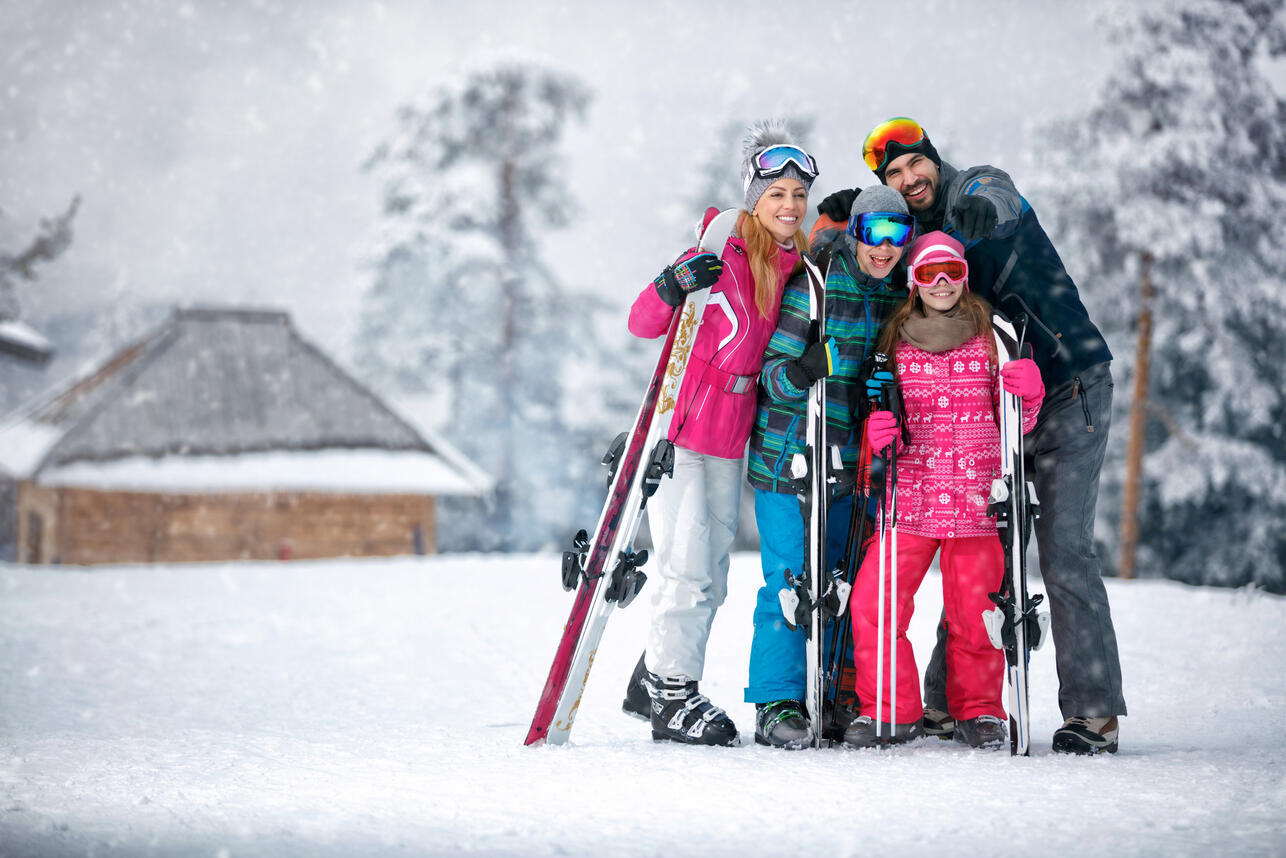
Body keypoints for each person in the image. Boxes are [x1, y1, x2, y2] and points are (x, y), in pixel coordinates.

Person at [818, 117, 1125, 754]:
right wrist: (837, 222)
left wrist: (986, 205)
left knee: (1064, 549)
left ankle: (1092, 712)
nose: (909, 180)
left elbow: (1001, 195)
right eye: (893, 177)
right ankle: (949, 703)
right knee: (976, 562)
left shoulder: (971, 193)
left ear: (935, 159)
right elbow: (865, 251)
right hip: (993, 411)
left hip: (1066, 387)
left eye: (914, 165)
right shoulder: (922, 239)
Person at [620, 122, 818, 746]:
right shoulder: (721, 248)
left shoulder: (792, 267)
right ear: (754, 196)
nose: (789, 205)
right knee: (685, 566)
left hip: (732, 437)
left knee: (712, 571)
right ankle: (672, 692)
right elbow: (642, 322)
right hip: (681, 428)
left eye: (798, 194)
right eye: (776, 193)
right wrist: (672, 284)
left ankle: (653, 674)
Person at [842, 231, 1044, 749]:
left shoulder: (991, 335)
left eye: (951, 272)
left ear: (964, 278)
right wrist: (875, 433)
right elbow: (875, 410)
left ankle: (979, 711)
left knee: (977, 616)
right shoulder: (893, 341)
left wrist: (1031, 396)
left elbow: (1015, 423)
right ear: (914, 281)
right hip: (908, 496)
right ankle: (890, 709)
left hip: (978, 497)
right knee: (873, 604)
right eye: (929, 273)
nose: (941, 283)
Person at [744, 184, 915, 749]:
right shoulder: (814, 288)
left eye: (897, 235)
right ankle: (777, 701)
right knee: (791, 580)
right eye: (873, 233)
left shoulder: (899, 295)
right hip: (787, 458)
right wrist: (803, 371)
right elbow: (770, 375)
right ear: (856, 232)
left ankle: (831, 690)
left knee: (839, 580)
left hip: (849, 463)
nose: (884, 248)